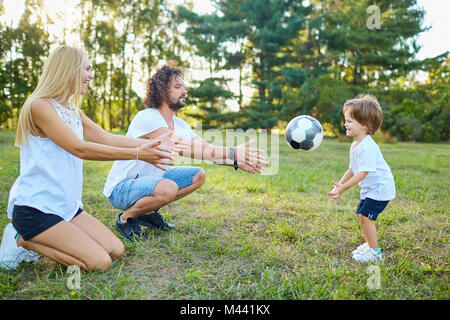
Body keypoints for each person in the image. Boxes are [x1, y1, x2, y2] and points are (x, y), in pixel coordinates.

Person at [4, 45, 177, 272]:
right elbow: (80, 149)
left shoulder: (73, 110)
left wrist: (150, 145)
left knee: (116, 250)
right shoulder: (40, 106)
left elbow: (106, 137)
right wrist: (137, 153)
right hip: (36, 208)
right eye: (86, 69)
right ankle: (22, 239)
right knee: (99, 263)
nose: (91, 75)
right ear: (69, 70)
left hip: (66, 206)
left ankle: (40, 236)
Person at [103, 65, 268, 241]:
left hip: (149, 182)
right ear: (162, 91)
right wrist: (232, 152)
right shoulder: (147, 117)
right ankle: (125, 219)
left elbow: (204, 148)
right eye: (178, 87)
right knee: (168, 188)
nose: (185, 90)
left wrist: (234, 161)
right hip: (122, 187)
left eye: (183, 86)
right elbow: (182, 147)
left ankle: (147, 213)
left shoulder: (181, 125)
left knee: (198, 175)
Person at [327, 94, 395, 263]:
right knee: (361, 215)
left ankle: (375, 252)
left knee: (365, 216)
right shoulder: (356, 144)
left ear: (364, 125)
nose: (345, 124)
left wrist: (345, 187)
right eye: (346, 120)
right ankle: (370, 244)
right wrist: (339, 186)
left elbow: (363, 172)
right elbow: (352, 168)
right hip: (371, 190)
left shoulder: (368, 147)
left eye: (350, 121)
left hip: (380, 189)